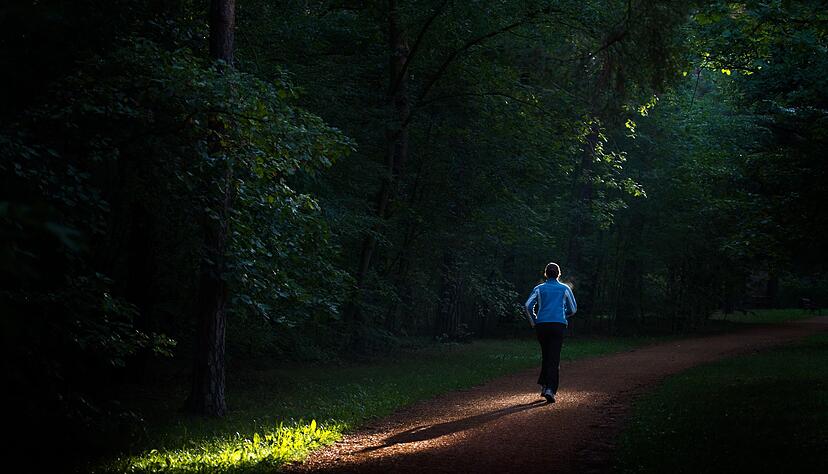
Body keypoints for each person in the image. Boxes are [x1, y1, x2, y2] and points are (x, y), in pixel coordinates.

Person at [524, 262, 577, 403]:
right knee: (554, 358)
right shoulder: (564, 288)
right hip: (558, 325)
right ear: (559, 274)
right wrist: (562, 314)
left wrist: (534, 320)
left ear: (546, 274)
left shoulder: (539, 288)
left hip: (542, 325)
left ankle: (544, 385)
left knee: (546, 355)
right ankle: (550, 390)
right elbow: (573, 309)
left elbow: (528, 305)